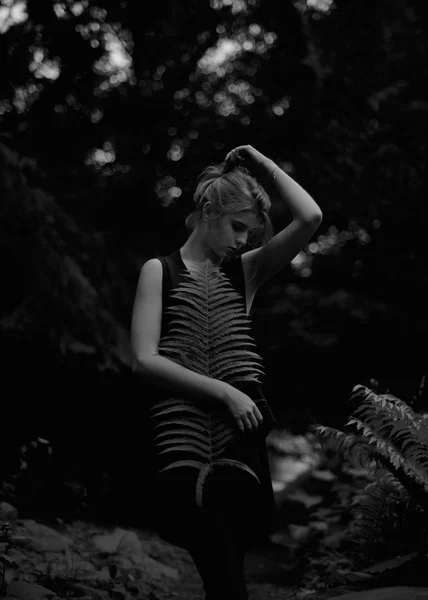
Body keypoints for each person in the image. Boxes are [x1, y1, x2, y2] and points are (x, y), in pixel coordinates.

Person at [131, 145, 322, 599]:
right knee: (223, 574)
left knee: (227, 573)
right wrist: (224, 392)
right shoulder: (160, 271)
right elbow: (144, 359)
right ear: (208, 210)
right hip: (188, 443)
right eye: (237, 227)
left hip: (240, 443)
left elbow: (311, 218)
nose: (241, 241)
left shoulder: (247, 272)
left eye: (249, 233)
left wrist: (264, 165)